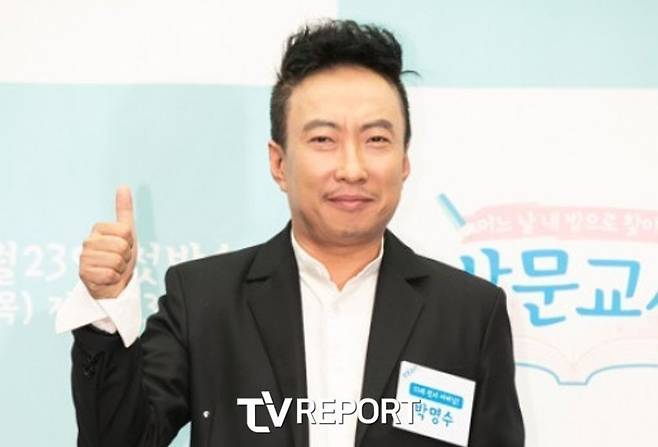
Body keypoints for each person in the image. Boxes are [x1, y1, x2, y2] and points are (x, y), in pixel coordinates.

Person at [56, 19, 524, 447]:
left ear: (404, 163)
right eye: (323, 139)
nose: (352, 168)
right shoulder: (203, 300)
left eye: (376, 139)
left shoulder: (469, 315)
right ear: (279, 163)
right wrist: (106, 309)